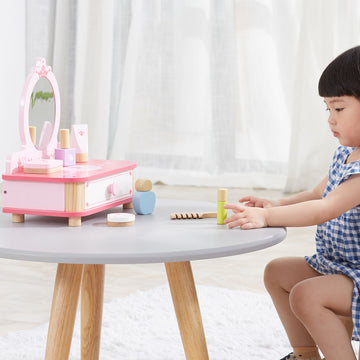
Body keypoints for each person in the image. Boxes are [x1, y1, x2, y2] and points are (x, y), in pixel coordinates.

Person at [223, 45, 360, 360]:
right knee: (277, 273)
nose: (330, 119)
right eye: (327, 109)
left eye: (339, 109)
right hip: (341, 267)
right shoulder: (345, 154)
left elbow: (326, 209)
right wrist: (274, 204)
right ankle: (304, 355)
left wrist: (268, 218)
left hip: (356, 273)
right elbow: (316, 195)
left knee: (306, 295)